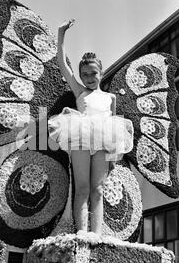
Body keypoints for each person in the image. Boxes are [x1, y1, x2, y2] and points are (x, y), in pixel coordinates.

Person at [48, 19, 133, 235]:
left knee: (98, 189)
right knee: (83, 188)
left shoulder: (111, 98)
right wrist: (61, 35)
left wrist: (113, 159)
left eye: (93, 73)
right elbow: (62, 65)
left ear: (101, 73)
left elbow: (113, 127)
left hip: (104, 140)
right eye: (84, 74)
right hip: (80, 136)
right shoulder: (80, 92)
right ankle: (83, 234)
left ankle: (96, 236)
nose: (88, 78)